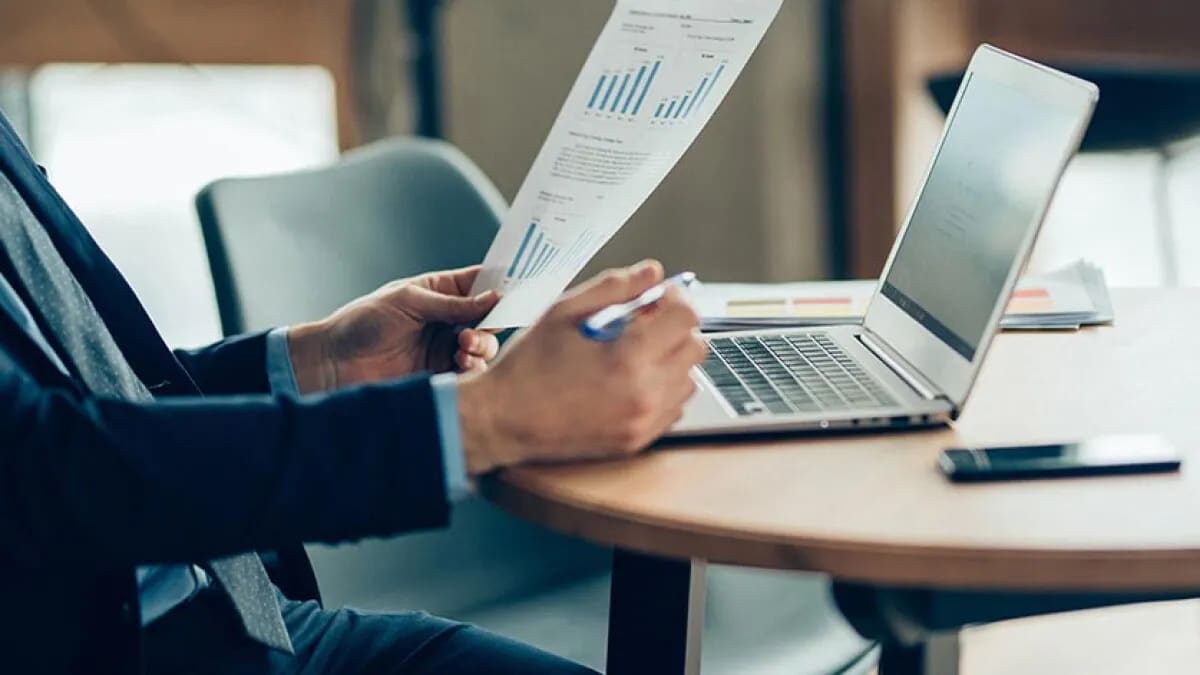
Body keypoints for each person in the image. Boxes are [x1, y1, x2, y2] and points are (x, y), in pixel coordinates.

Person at [0, 107, 706, 674]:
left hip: (237, 618)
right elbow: (42, 474)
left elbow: (77, 404)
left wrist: (317, 364)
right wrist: (485, 419)